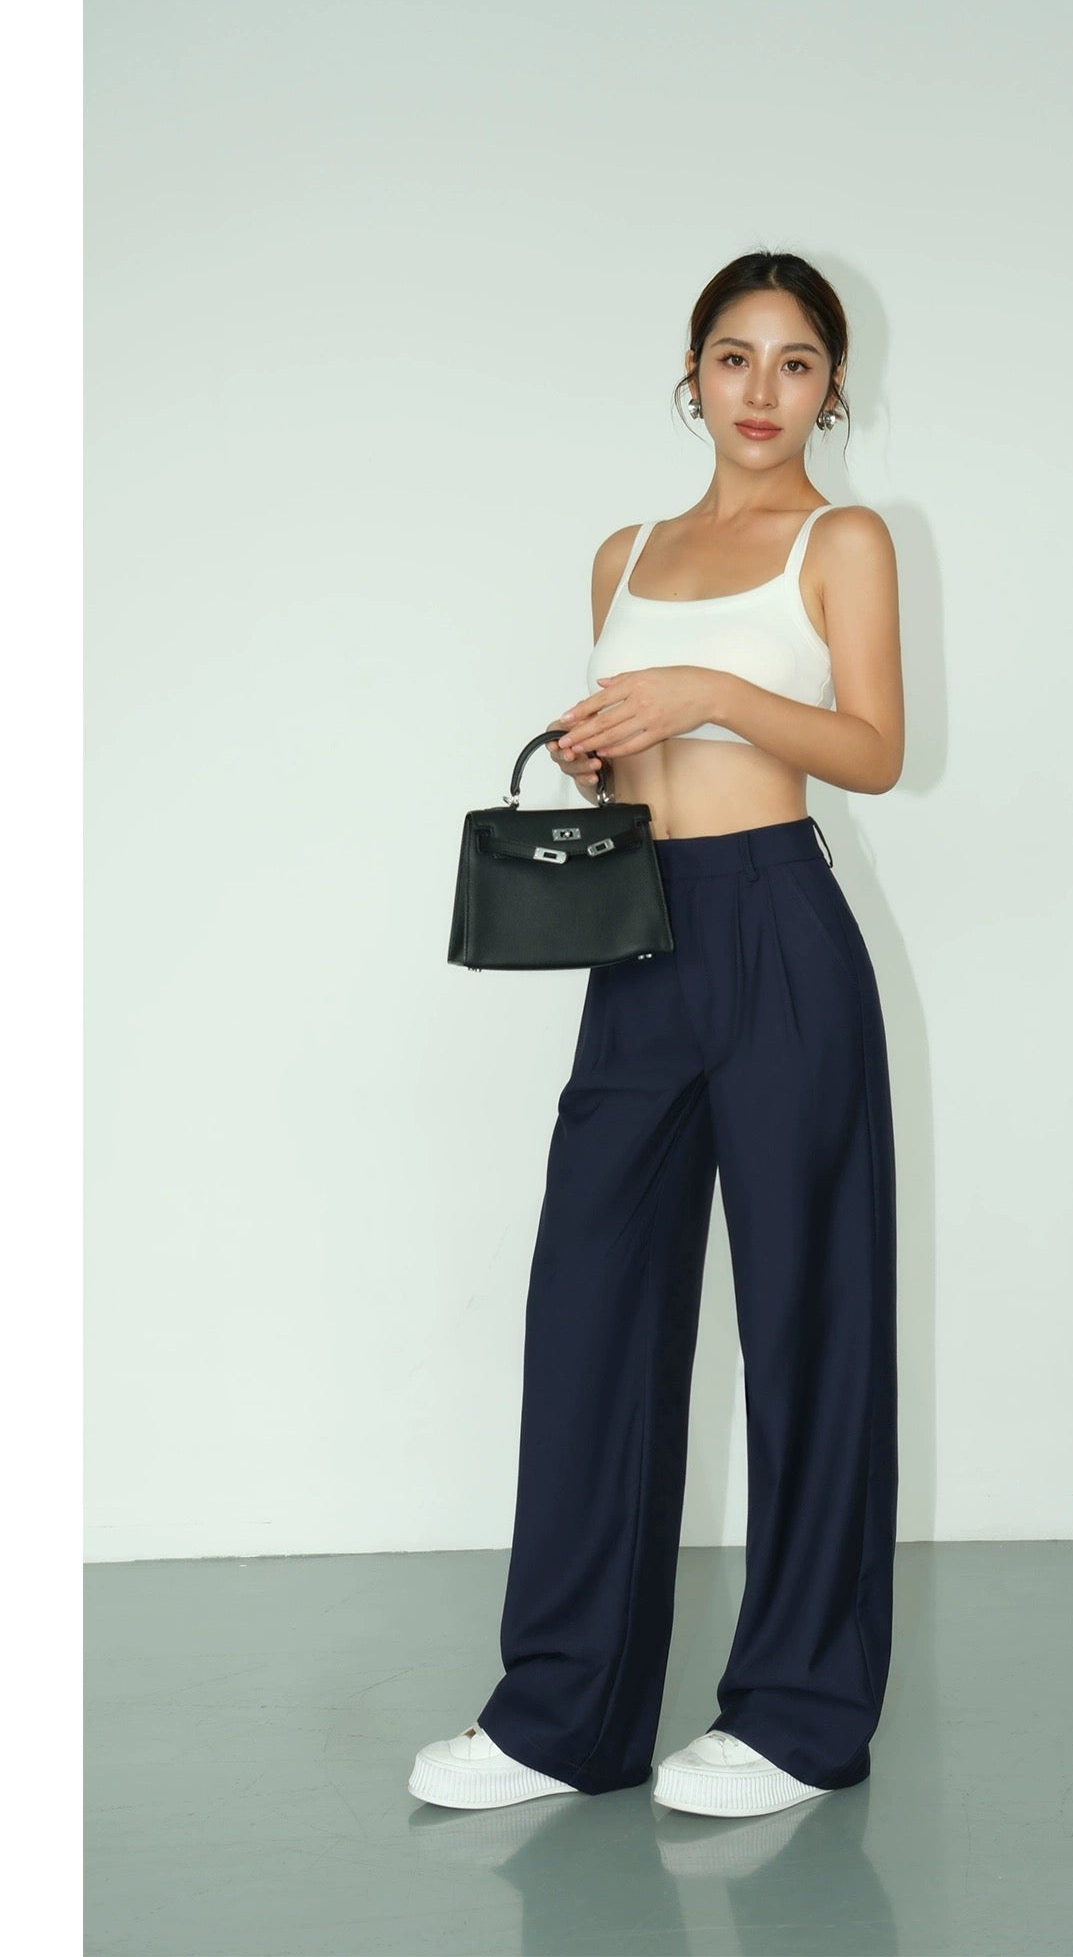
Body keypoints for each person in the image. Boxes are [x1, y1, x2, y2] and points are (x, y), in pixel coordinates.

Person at [408, 251, 904, 1819]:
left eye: (797, 362)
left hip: (777, 927)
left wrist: (707, 691)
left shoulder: (842, 539)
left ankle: (800, 1719)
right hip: (639, 941)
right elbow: (639, 764)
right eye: (736, 357)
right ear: (692, 376)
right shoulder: (623, 553)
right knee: (592, 1312)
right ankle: (565, 1716)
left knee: (808, 1317)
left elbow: (874, 749)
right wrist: (603, 750)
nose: (764, 390)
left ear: (831, 389)